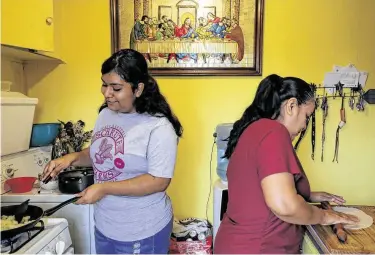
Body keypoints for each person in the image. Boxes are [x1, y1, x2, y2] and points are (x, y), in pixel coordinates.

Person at [42, 49, 183, 254]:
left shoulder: (158, 127)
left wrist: (104, 188)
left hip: (141, 229)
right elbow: (100, 153)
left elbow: (159, 181)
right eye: (104, 84)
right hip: (106, 224)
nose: (107, 93)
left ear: (138, 89)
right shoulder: (107, 115)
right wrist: (70, 159)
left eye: (116, 88)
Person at [213, 74, 358, 254]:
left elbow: (256, 191)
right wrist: (325, 216)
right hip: (258, 248)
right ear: (291, 106)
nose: (305, 126)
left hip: (237, 244)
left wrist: (309, 195)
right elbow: (284, 205)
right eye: (307, 116)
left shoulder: (254, 130)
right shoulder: (274, 132)